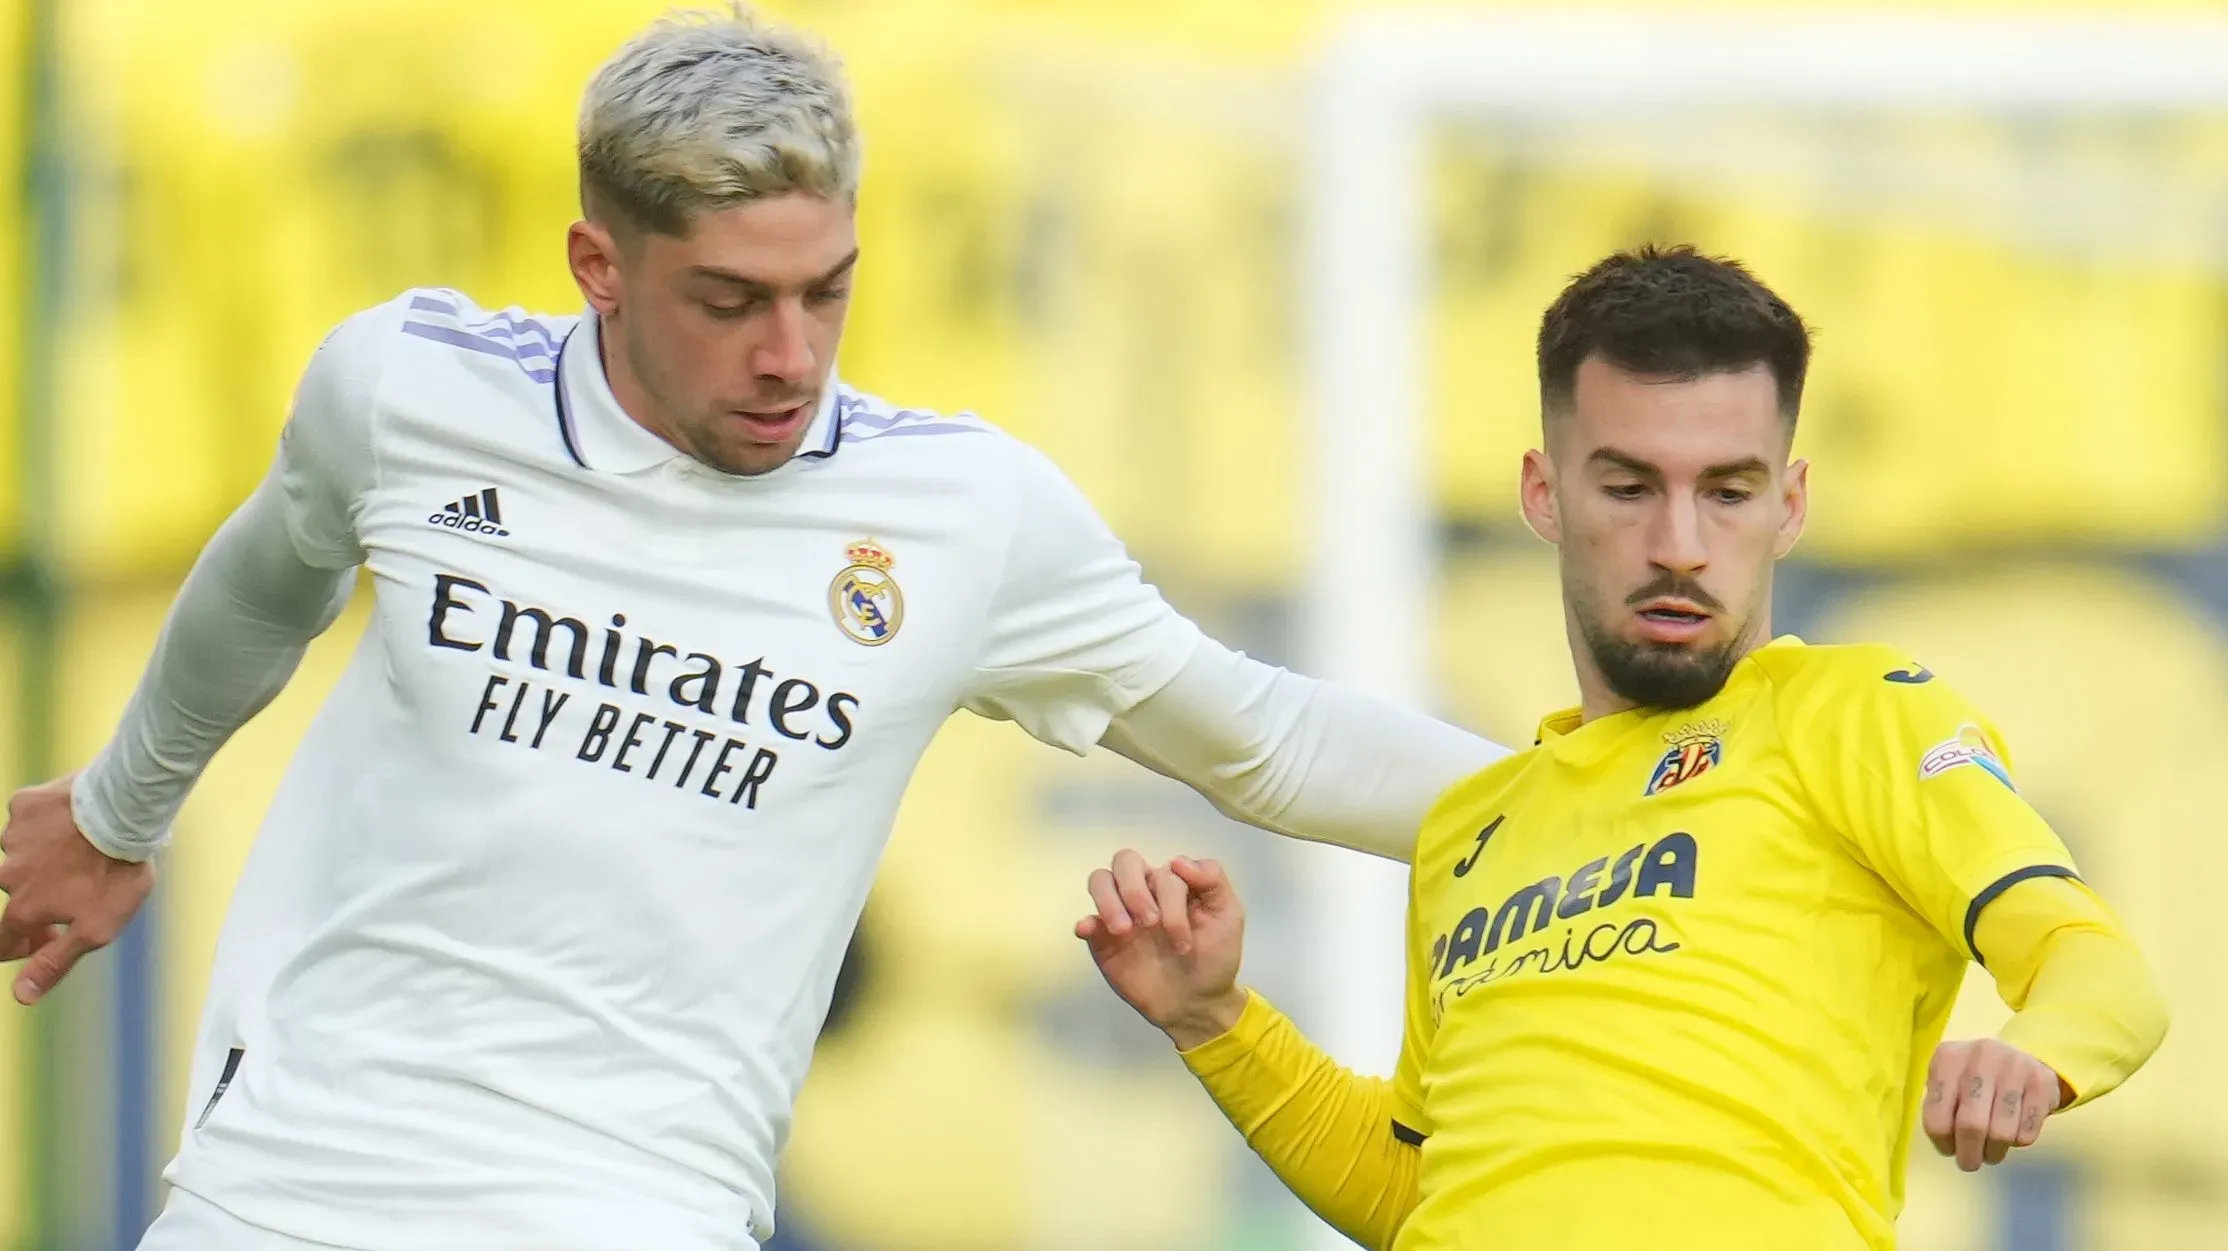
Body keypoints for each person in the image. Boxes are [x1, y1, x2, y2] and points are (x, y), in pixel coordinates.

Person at [0, 8, 1507, 1251]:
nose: (790, 355)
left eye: (824, 292)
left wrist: (1598, 807)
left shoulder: (960, 515)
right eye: (729, 301)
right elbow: (269, 576)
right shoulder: (408, 392)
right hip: (285, 1193)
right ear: (599, 266)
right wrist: (123, 807)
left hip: (635, 1211)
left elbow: (1265, 738)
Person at [1075, 246, 2171, 1251]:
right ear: (1544, 494)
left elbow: (2099, 967)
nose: (1678, 545)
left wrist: (2034, 1057)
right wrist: (1212, 1019)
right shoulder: (1471, 827)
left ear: (1789, 506)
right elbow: (1417, 1187)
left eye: (1727, 492)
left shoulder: (1852, 714)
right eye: (1629, 487)